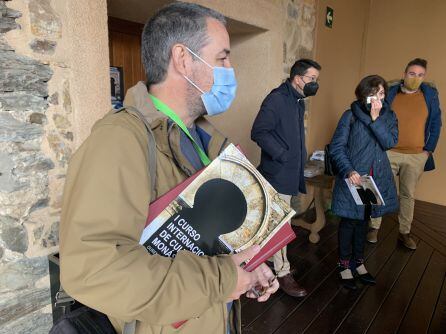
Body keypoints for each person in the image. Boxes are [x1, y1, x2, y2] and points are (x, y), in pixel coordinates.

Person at [59, 3, 279, 334]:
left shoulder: (209, 141)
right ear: (183, 59)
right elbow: (95, 270)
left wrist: (247, 269)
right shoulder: (121, 141)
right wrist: (222, 278)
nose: (230, 69)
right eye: (222, 58)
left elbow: (210, 244)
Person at [251, 59, 321, 297]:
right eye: (312, 78)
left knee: (280, 222)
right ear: (298, 78)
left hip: (290, 171)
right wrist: (282, 154)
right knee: (281, 225)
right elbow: (259, 130)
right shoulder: (277, 99)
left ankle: (275, 263)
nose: (315, 83)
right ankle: (282, 273)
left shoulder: (297, 100)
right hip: (278, 173)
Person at [329, 75, 399, 289]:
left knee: (364, 220)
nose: (378, 97)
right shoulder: (349, 116)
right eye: (373, 93)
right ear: (362, 95)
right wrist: (348, 170)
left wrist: (376, 118)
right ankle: (344, 265)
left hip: (374, 179)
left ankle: (358, 263)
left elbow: (389, 142)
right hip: (354, 178)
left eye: (381, 93)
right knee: (350, 220)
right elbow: (337, 147)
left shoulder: (388, 116)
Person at [368, 58, 443, 250]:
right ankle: (373, 228)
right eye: (412, 73)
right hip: (389, 152)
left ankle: (404, 233)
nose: (416, 78)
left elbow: (436, 124)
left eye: (420, 75)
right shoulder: (390, 91)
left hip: (416, 155)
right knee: (379, 190)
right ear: (404, 74)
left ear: (424, 77)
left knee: (408, 195)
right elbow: (375, 114)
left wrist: (428, 150)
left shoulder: (430, 95)